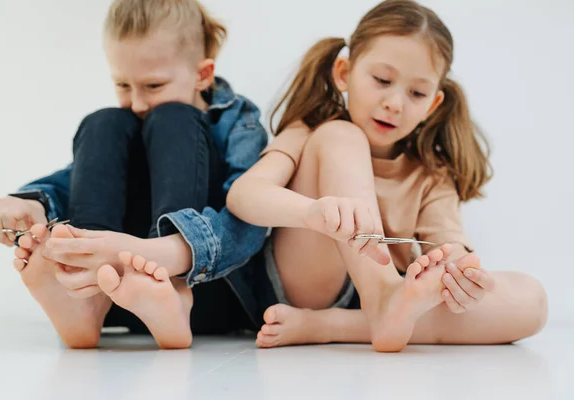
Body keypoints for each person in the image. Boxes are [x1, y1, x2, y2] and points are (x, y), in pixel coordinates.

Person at [226, 0, 548, 352]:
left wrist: (458, 276)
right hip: (304, 283)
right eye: (382, 80)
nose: (395, 103)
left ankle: (338, 324)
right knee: (340, 135)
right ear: (344, 73)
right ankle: (378, 302)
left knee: (531, 300)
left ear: (433, 104)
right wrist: (310, 213)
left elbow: (448, 245)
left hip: (392, 301)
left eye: (416, 93)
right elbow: (244, 195)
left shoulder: (432, 172)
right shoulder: (314, 131)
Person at [0, 0, 269, 349]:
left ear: (202, 75)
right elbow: (81, 177)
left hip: (206, 287)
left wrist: (171, 254)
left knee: (175, 118)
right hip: (121, 292)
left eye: (153, 86)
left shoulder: (240, 124)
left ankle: (172, 291)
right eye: (123, 86)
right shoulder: (129, 120)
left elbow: (250, 218)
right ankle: (86, 291)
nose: (138, 102)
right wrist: (35, 203)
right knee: (105, 122)